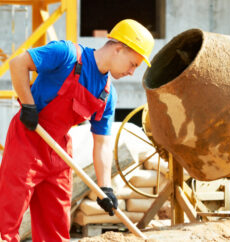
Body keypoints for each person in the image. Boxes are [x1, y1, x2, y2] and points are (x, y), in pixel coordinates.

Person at [0, 19, 154, 241]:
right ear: (119, 49)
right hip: (28, 138)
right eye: (133, 64)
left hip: (59, 152)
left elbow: (101, 143)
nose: (132, 72)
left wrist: (105, 188)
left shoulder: (108, 95)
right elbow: (17, 64)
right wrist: (29, 105)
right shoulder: (65, 54)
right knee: (9, 219)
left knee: (56, 227)